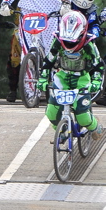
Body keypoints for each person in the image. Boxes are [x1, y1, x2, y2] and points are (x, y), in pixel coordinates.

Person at [38, 10, 105, 139]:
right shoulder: (57, 40)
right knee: (51, 113)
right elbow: (49, 60)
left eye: (73, 41)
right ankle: (62, 130)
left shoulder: (88, 44)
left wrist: (96, 81)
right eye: (66, 41)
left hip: (81, 79)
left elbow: (99, 64)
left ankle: (96, 127)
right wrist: (43, 77)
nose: (69, 45)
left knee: (83, 118)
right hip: (62, 77)